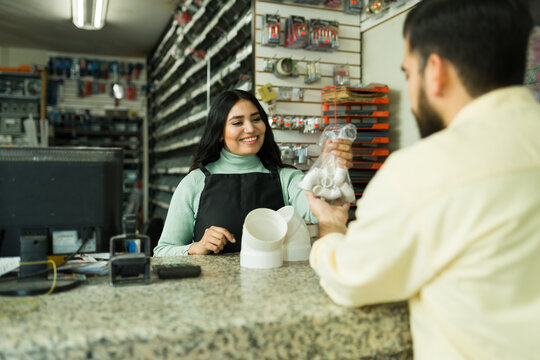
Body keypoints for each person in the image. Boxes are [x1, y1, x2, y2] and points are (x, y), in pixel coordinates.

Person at [306, 0, 540, 359]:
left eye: (408, 74)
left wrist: (331, 230)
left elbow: (351, 279)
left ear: (434, 71)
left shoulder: (424, 170)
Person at [154, 89, 353, 256]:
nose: (250, 129)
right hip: (214, 297)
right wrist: (195, 248)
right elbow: (162, 251)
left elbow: (320, 211)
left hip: (273, 292)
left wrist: (330, 167)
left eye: (256, 119)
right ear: (219, 133)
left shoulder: (286, 177)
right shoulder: (194, 182)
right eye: (237, 122)